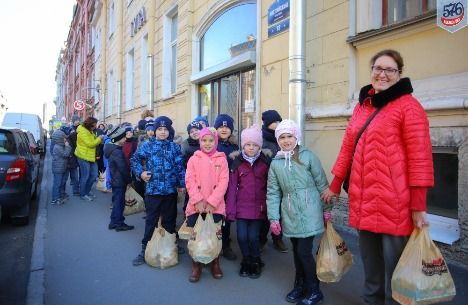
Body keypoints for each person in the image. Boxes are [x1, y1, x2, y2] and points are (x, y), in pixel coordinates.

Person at [321, 49, 434, 305]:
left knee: (397, 270)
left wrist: (418, 206)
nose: (382, 74)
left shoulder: (409, 107)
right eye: (378, 68)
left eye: (389, 69)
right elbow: (348, 147)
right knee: (371, 267)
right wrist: (335, 184)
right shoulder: (364, 106)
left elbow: (420, 160)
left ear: (399, 74)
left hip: (394, 204)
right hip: (363, 200)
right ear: (371, 71)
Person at [267, 119, 330, 305]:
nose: (286, 140)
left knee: (303, 251)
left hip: (310, 210)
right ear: (278, 140)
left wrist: (327, 210)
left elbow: (322, 183)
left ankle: (314, 289)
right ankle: (300, 285)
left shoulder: (308, 157)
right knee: (296, 251)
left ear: (297, 137)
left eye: (290, 136)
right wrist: (274, 218)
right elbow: (273, 192)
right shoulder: (276, 163)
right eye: (282, 137)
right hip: (290, 213)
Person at [131, 115, 186, 266]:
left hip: (170, 191)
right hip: (153, 191)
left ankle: (170, 245)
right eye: (159, 129)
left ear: (170, 131)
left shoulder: (174, 147)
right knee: (151, 220)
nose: (162, 132)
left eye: (165, 129)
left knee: (169, 220)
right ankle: (145, 249)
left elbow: (180, 167)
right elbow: (134, 160)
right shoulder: (148, 146)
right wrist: (141, 173)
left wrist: (181, 183)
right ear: (155, 131)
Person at [185, 127, 228, 282]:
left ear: (215, 141)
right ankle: (196, 265)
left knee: (214, 236)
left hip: (215, 206)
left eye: (211, 140)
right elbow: (189, 181)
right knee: (196, 235)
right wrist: (198, 200)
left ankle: (215, 262)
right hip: (197, 206)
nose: (207, 144)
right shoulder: (194, 159)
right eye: (204, 140)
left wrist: (212, 202)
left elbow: (224, 182)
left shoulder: (221, 159)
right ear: (200, 141)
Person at [226, 124, 270, 278]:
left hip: (258, 207)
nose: (251, 148)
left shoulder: (265, 163)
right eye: (248, 144)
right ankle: (246, 260)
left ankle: (255, 260)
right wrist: (230, 210)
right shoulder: (237, 163)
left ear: (259, 146)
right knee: (242, 237)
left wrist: (268, 207)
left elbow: (270, 186)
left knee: (253, 237)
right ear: (243, 146)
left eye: (255, 145)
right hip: (241, 208)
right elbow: (232, 188)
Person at [260, 109, 288, 253]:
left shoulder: (282, 137)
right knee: (267, 212)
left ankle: (278, 238)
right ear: (267, 124)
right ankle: (262, 239)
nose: (277, 124)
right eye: (274, 122)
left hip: (282, 180)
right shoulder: (262, 139)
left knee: (280, 212)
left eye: (279, 121)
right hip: (266, 181)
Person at [213, 113, 239, 261]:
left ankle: (225, 245)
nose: (224, 129)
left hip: (229, 187)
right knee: (214, 216)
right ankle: (212, 243)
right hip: (213, 187)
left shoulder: (234, 147)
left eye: (227, 127)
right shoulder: (212, 144)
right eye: (221, 126)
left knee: (226, 216)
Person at [104, 126, 134, 231]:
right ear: (118, 139)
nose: (125, 139)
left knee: (117, 201)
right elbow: (123, 168)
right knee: (119, 203)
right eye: (123, 138)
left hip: (116, 180)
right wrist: (129, 180)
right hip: (119, 181)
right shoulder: (117, 152)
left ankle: (113, 222)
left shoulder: (112, 150)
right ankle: (118, 224)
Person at [75, 116, 104, 201]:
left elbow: (93, 140)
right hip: (83, 156)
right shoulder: (82, 131)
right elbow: (90, 144)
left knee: (94, 175)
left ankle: (87, 191)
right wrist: (99, 139)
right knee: (85, 176)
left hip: (91, 156)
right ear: (90, 124)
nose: (96, 126)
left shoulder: (89, 130)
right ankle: (83, 194)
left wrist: (98, 138)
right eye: (94, 125)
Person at [180, 121, 202, 211]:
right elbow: (182, 161)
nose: (194, 133)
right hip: (192, 175)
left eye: (197, 130)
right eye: (192, 131)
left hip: (204, 175)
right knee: (190, 195)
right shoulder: (186, 144)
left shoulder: (206, 141)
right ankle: (187, 214)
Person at [51, 129, 72, 205]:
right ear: (59, 139)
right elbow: (65, 154)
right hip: (58, 168)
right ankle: (55, 199)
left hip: (63, 167)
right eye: (64, 138)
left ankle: (60, 196)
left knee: (62, 182)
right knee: (57, 183)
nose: (65, 139)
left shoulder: (60, 145)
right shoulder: (57, 147)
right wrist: (68, 146)